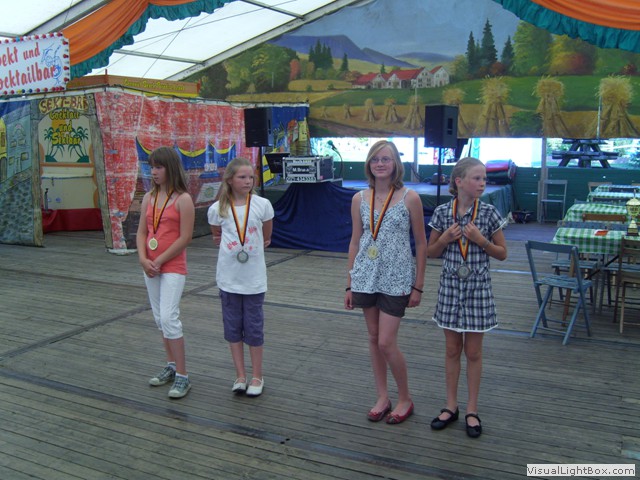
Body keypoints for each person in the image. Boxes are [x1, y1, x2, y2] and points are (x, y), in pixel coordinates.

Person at [344, 140, 427, 425]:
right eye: (375, 159)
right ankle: (382, 396)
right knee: (373, 338)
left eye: (386, 159)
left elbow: (421, 243)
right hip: (366, 276)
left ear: (396, 164)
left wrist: (418, 284)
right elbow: (355, 241)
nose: (380, 164)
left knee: (386, 341)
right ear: (369, 164)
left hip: (397, 278)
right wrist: (349, 282)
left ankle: (405, 398)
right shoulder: (359, 198)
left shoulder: (409, 198)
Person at [426, 157, 507, 438]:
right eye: (477, 178)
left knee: (473, 352)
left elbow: (502, 253)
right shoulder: (441, 213)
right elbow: (430, 252)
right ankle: (451, 406)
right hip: (450, 289)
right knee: (451, 350)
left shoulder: (489, 213)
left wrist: (481, 241)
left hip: (477, 290)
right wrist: (445, 239)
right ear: (459, 181)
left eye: (484, 178)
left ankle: (472, 409)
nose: (482, 183)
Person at [208, 157, 274, 397]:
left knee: (254, 328)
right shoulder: (218, 209)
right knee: (232, 327)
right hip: (229, 280)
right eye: (242, 177)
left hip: (254, 280)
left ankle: (257, 375)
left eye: (251, 177)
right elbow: (217, 235)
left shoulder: (262, 205)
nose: (248, 181)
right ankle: (240, 375)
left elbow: (267, 235)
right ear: (229, 180)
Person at [137, 146, 195, 399]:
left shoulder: (183, 199)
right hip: (150, 267)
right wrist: (143, 259)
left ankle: (183, 375)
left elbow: (185, 237)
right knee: (160, 318)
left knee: (170, 317)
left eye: (159, 167)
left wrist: (159, 260)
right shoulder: (149, 197)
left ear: (170, 168)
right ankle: (171, 366)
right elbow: (142, 232)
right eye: (151, 167)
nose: (154, 172)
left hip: (172, 266)